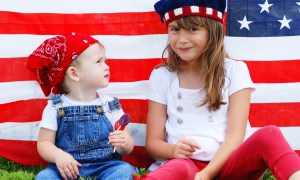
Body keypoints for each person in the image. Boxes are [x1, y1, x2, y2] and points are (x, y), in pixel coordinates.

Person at [138, 0, 300, 179]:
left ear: (213, 31)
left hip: (229, 163)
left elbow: (235, 136)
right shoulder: (162, 76)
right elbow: (153, 144)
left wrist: (207, 174)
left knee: (270, 134)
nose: (182, 39)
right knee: (176, 167)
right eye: (175, 29)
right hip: (186, 163)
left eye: (193, 29)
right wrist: (173, 149)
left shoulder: (235, 70)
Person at [27, 32, 136, 180]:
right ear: (75, 74)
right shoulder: (55, 107)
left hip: (106, 165)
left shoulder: (110, 104)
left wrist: (124, 143)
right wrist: (59, 156)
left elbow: (127, 147)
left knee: (124, 171)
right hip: (67, 168)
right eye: (99, 62)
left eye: (105, 61)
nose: (107, 67)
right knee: (44, 177)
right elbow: (44, 143)